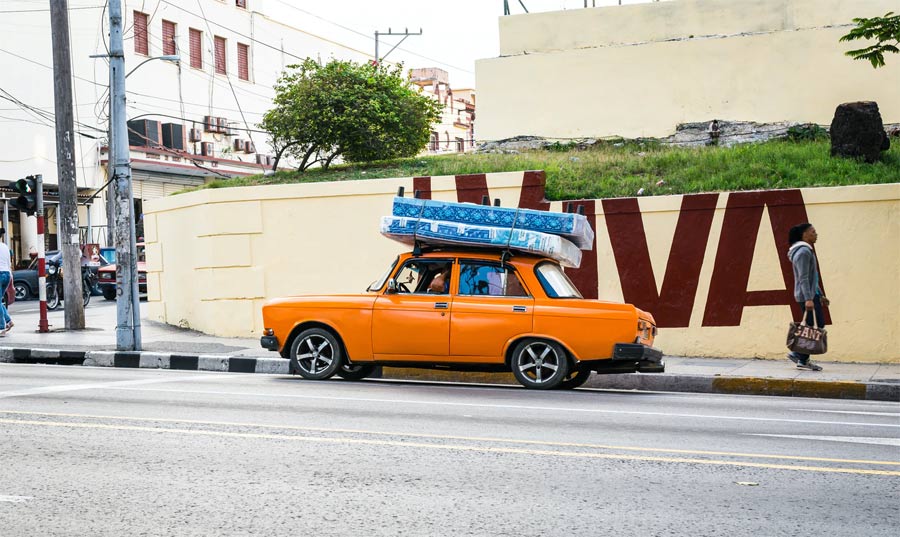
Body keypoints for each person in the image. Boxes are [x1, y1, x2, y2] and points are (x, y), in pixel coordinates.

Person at [786, 223, 829, 371]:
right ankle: (798, 353)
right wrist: (809, 298)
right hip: (807, 296)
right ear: (804, 235)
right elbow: (803, 278)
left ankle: (803, 360)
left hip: (811, 295)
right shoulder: (803, 252)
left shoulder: (806, 251)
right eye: (813, 232)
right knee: (817, 326)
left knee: (811, 327)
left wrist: (820, 295)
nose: (816, 234)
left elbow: (813, 277)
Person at [0, 228, 13, 335]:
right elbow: (9, 264)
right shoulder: (5, 246)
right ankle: (9, 321)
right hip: (7, 274)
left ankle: (1, 327)